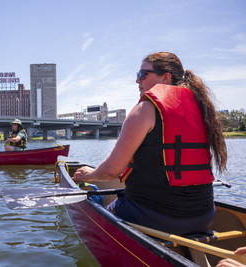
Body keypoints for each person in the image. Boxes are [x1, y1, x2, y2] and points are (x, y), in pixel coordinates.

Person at [73, 52, 227, 236]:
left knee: (101, 217)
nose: (138, 81)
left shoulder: (145, 110)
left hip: (155, 218)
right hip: (205, 216)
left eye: (142, 74)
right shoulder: (202, 111)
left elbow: (111, 171)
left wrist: (89, 176)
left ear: (166, 77)